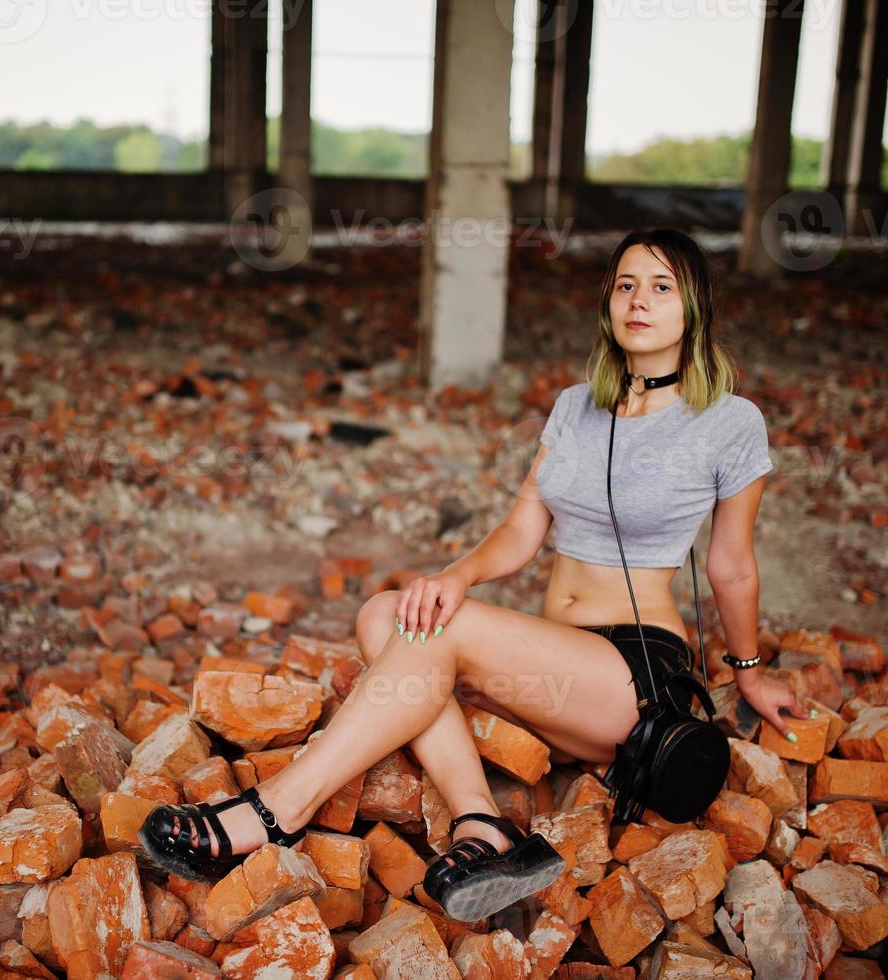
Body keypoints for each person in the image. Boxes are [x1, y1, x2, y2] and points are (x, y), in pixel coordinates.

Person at [139, 227, 809, 921]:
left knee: (432, 629)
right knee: (386, 612)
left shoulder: (729, 421)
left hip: (631, 681)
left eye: (661, 287)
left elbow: (730, 565)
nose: (639, 301)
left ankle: (280, 806)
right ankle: (480, 824)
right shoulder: (575, 406)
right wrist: (454, 576)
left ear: (692, 307)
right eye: (625, 284)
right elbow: (523, 527)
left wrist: (751, 671)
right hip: (554, 677)